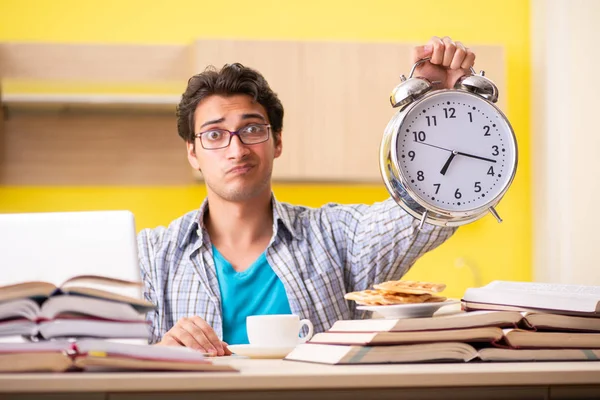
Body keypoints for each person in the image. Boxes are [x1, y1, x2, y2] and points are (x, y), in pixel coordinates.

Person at [138, 36, 475, 356]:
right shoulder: (151, 257)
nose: (236, 149)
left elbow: (426, 212)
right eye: (214, 134)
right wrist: (157, 355)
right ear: (193, 152)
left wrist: (441, 108)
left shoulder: (337, 236)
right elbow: (101, 360)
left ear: (278, 141)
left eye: (253, 129)